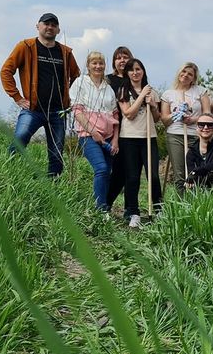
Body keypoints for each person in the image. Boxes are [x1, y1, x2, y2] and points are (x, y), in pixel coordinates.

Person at [1, 12, 81, 177]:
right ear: (38, 26)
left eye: (53, 25)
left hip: (58, 111)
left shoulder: (65, 52)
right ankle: (7, 173)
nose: (50, 27)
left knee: (57, 152)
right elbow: (6, 71)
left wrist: (68, 95)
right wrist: (17, 97)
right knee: (21, 137)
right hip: (33, 109)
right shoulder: (26, 46)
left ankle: (54, 187)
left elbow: (76, 75)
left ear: (58, 30)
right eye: (46, 24)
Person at [68, 51, 121, 211]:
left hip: (109, 136)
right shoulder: (80, 83)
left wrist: (115, 140)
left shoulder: (108, 88)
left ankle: (104, 207)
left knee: (107, 172)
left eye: (101, 63)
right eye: (94, 63)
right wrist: (93, 132)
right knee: (101, 168)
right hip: (88, 136)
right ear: (88, 65)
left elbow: (115, 116)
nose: (98, 66)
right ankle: (100, 208)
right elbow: (77, 111)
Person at [117, 58, 163, 228]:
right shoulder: (123, 90)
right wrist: (142, 96)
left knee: (153, 175)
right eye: (131, 70)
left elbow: (157, 118)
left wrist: (153, 105)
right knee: (133, 176)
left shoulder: (153, 92)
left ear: (143, 71)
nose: (135, 73)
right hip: (129, 138)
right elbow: (128, 113)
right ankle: (133, 212)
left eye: (138, 69)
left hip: (149, 137)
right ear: (127, 73)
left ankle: (158, 209)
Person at [161, 62, 211, 188]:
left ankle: (197, 204)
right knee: (180, 174)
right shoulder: (168, 94)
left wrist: (193, 120)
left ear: (194, 78)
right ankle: (180, 206)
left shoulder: (200, 91)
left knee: (197, 173)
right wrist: (177, 113)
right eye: (184, 72)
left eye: (190, 74)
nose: (186, 75)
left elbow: (208, 115)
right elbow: (164, 120)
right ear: (179, 73)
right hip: (175, 135)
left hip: (196, 135)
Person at [105, 45, 134, 210]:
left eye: (125, 57)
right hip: (111, 129)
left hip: (131, 130)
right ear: (114, 62)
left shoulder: (136, 78)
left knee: (127, 172)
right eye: (118, 57)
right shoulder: (108, 80)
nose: (122, 60)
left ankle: (129, 209)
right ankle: (105, 204)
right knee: (114, 171)